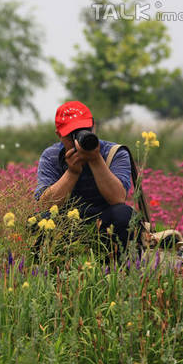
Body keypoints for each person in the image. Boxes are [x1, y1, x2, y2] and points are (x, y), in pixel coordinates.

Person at [35, 100, 136, 254]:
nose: (78, 141)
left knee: (124, 214)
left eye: (85, 130)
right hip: (66, 226)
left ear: (93, 126)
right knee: (40, 220)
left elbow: (118, 199)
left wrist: (95, 160)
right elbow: (45, 204)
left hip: (104, 224)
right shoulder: (51, 156)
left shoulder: (115, 153)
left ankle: (120, 269)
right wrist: (72, 172)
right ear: (59, 135)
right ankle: (49, 270)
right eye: (72, 135)